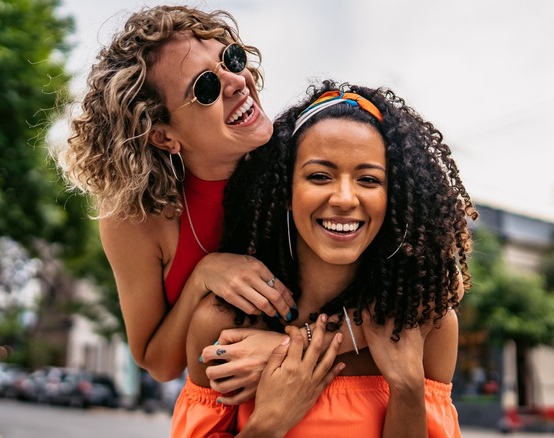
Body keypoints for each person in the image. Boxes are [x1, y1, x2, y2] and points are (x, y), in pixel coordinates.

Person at [172, 81, 477, 437]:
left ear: (390, 198)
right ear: (286, 191)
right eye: (320, 176)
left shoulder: (426, 325)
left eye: (368, 179)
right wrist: (269, 423)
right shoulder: (222, 326)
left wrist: (407, 389)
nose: (345, 198)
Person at [55, 5, 296, 395]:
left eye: (230, 58)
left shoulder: (311, 166)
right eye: (205, 88)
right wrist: (204, 276)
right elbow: (158, 362)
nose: (236, 81)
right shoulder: (136, 219)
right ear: (164, 135)